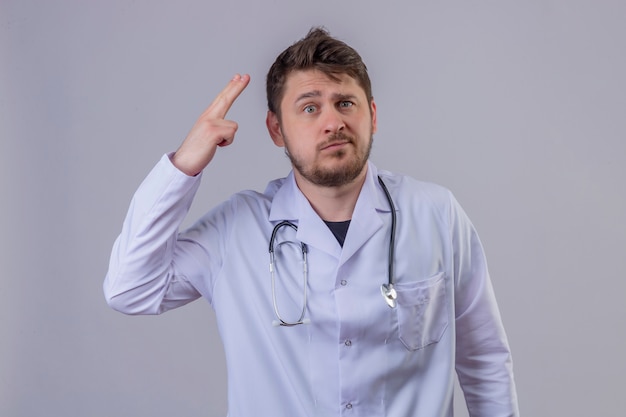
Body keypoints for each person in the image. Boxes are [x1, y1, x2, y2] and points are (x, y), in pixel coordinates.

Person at [104, 27, 519, 416]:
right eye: (309, 107)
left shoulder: (436, 214)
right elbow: (129, 289)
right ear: (276, 129)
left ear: (371, 114)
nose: (333, 122)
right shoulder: (237, 230)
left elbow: (483, 359)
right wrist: (182, 166)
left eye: (345, 103)